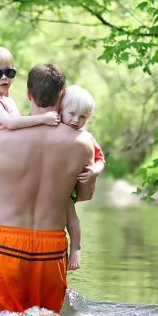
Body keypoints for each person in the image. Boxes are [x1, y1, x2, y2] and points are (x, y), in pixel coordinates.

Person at [0, 63, 95, 313]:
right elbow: (85, 194)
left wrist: (10, 197)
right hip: (52, 246)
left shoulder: (1, 139)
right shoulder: (83, 143)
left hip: (8, 242)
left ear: (28, 94)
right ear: (62, 95)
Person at [0, 46, 60, 244]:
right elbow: (12, 123)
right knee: (6, 197)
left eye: (9, 72)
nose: (4, 78)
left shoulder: (8, 100)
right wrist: (43, 119)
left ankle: (11, 232)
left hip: (9, 155)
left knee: (14, 196)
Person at [60, 85, 106, 271]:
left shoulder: (86, 136)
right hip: (46, 182)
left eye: (82, 117)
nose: (75, 120)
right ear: (60, 109)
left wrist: (95, 170)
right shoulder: (53, 126)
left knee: (71, 216)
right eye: (71, 114)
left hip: (67, 186)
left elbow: (101, 159)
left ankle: (76, 247)